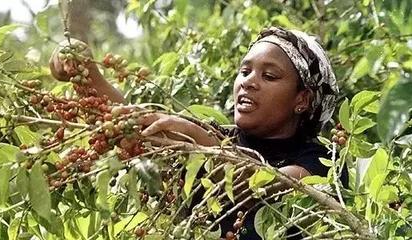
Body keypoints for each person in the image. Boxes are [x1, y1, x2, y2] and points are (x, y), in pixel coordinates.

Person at [50, 26, 347, 239]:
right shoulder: (217, 135)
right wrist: (86, 70)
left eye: (269, 76)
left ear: (302, 100)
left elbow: (258, 182)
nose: (249, 82)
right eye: (245, 72)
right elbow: (130, 126)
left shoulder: (324, 160)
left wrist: (195, 139)